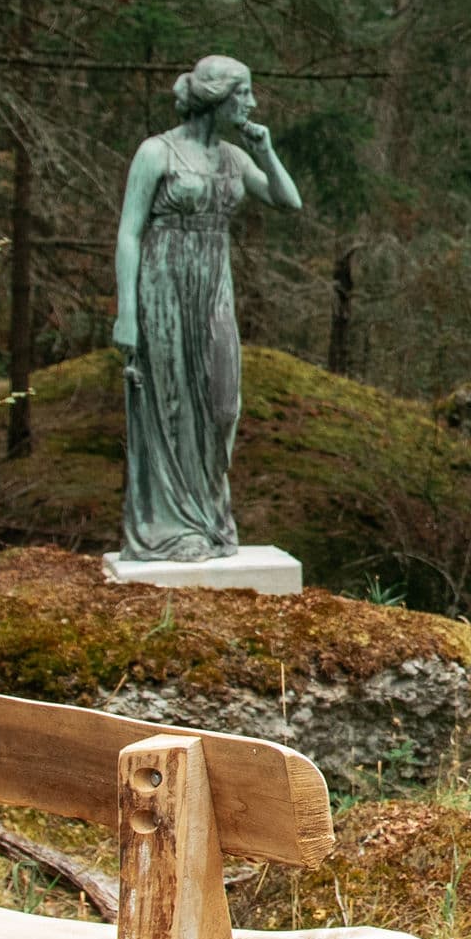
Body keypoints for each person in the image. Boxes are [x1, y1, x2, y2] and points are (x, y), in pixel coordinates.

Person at [109, 55, 302, 560]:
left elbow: (289, 202)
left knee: (222, 405)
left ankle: (211, 517)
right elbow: (129, 233)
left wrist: (266, 149)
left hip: (213, 285)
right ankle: (172, 529)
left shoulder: (235, 159)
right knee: (171, 405)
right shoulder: (157, 152)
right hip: (163, 287)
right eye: (244, 94)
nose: (253, 104)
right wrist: (126, 312)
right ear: (218, 98)